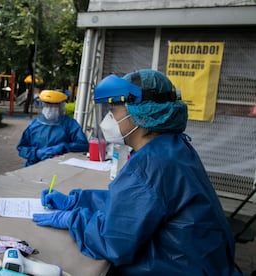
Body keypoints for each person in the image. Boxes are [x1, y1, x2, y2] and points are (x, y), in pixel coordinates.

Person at [32, 70, 240, 275]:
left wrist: (73, 220)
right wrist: (78, 201)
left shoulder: (149, 166)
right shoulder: (171, 147)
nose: (108, 118)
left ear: (141, 111)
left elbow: (113, 241)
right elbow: (133, 205)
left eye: (114, 110)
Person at [17, 90, 89, 167]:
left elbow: (83, 145)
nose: (49, 108)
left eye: (54, 105)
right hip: (34, 166)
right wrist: (36, 153)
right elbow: (21, 147)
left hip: (59, 167)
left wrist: (64, 147)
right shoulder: (34, 124)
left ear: (61, 107)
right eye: (47, 105)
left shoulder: (70, 124)